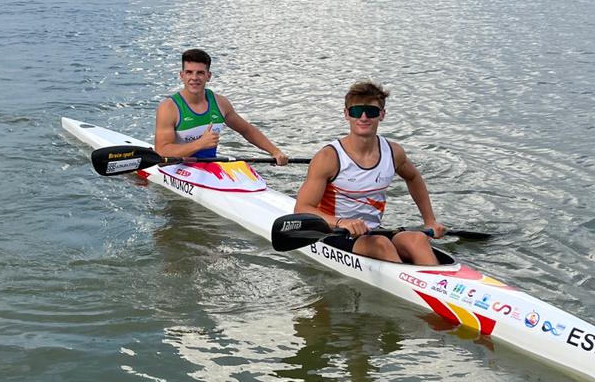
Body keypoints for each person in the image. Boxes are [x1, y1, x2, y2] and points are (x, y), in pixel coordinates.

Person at [292, 81, 443, 265]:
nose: (363, 117)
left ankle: (440, 284)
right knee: (381, 244)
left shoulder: (393, 152)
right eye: (356, 111)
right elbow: (302, 209)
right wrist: (342, 222)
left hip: (373, 231)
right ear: (347, 114)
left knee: (417, 240)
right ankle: (409, 286)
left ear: (382, 115)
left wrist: (430, 221)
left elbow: (413, 178)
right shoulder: (328, 158)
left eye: (371, 112)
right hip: (333, 233)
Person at [154, 48, 288, 164]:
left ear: (209, 76)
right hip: (177, 166)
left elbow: (246, 130)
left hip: (209, 164)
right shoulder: (169, 108)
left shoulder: (220, 103)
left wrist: (274, 151)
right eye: (189, 72)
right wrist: (200, 143)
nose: (194, 78)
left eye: (200, 73)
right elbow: (162, 152)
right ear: (182, 76)